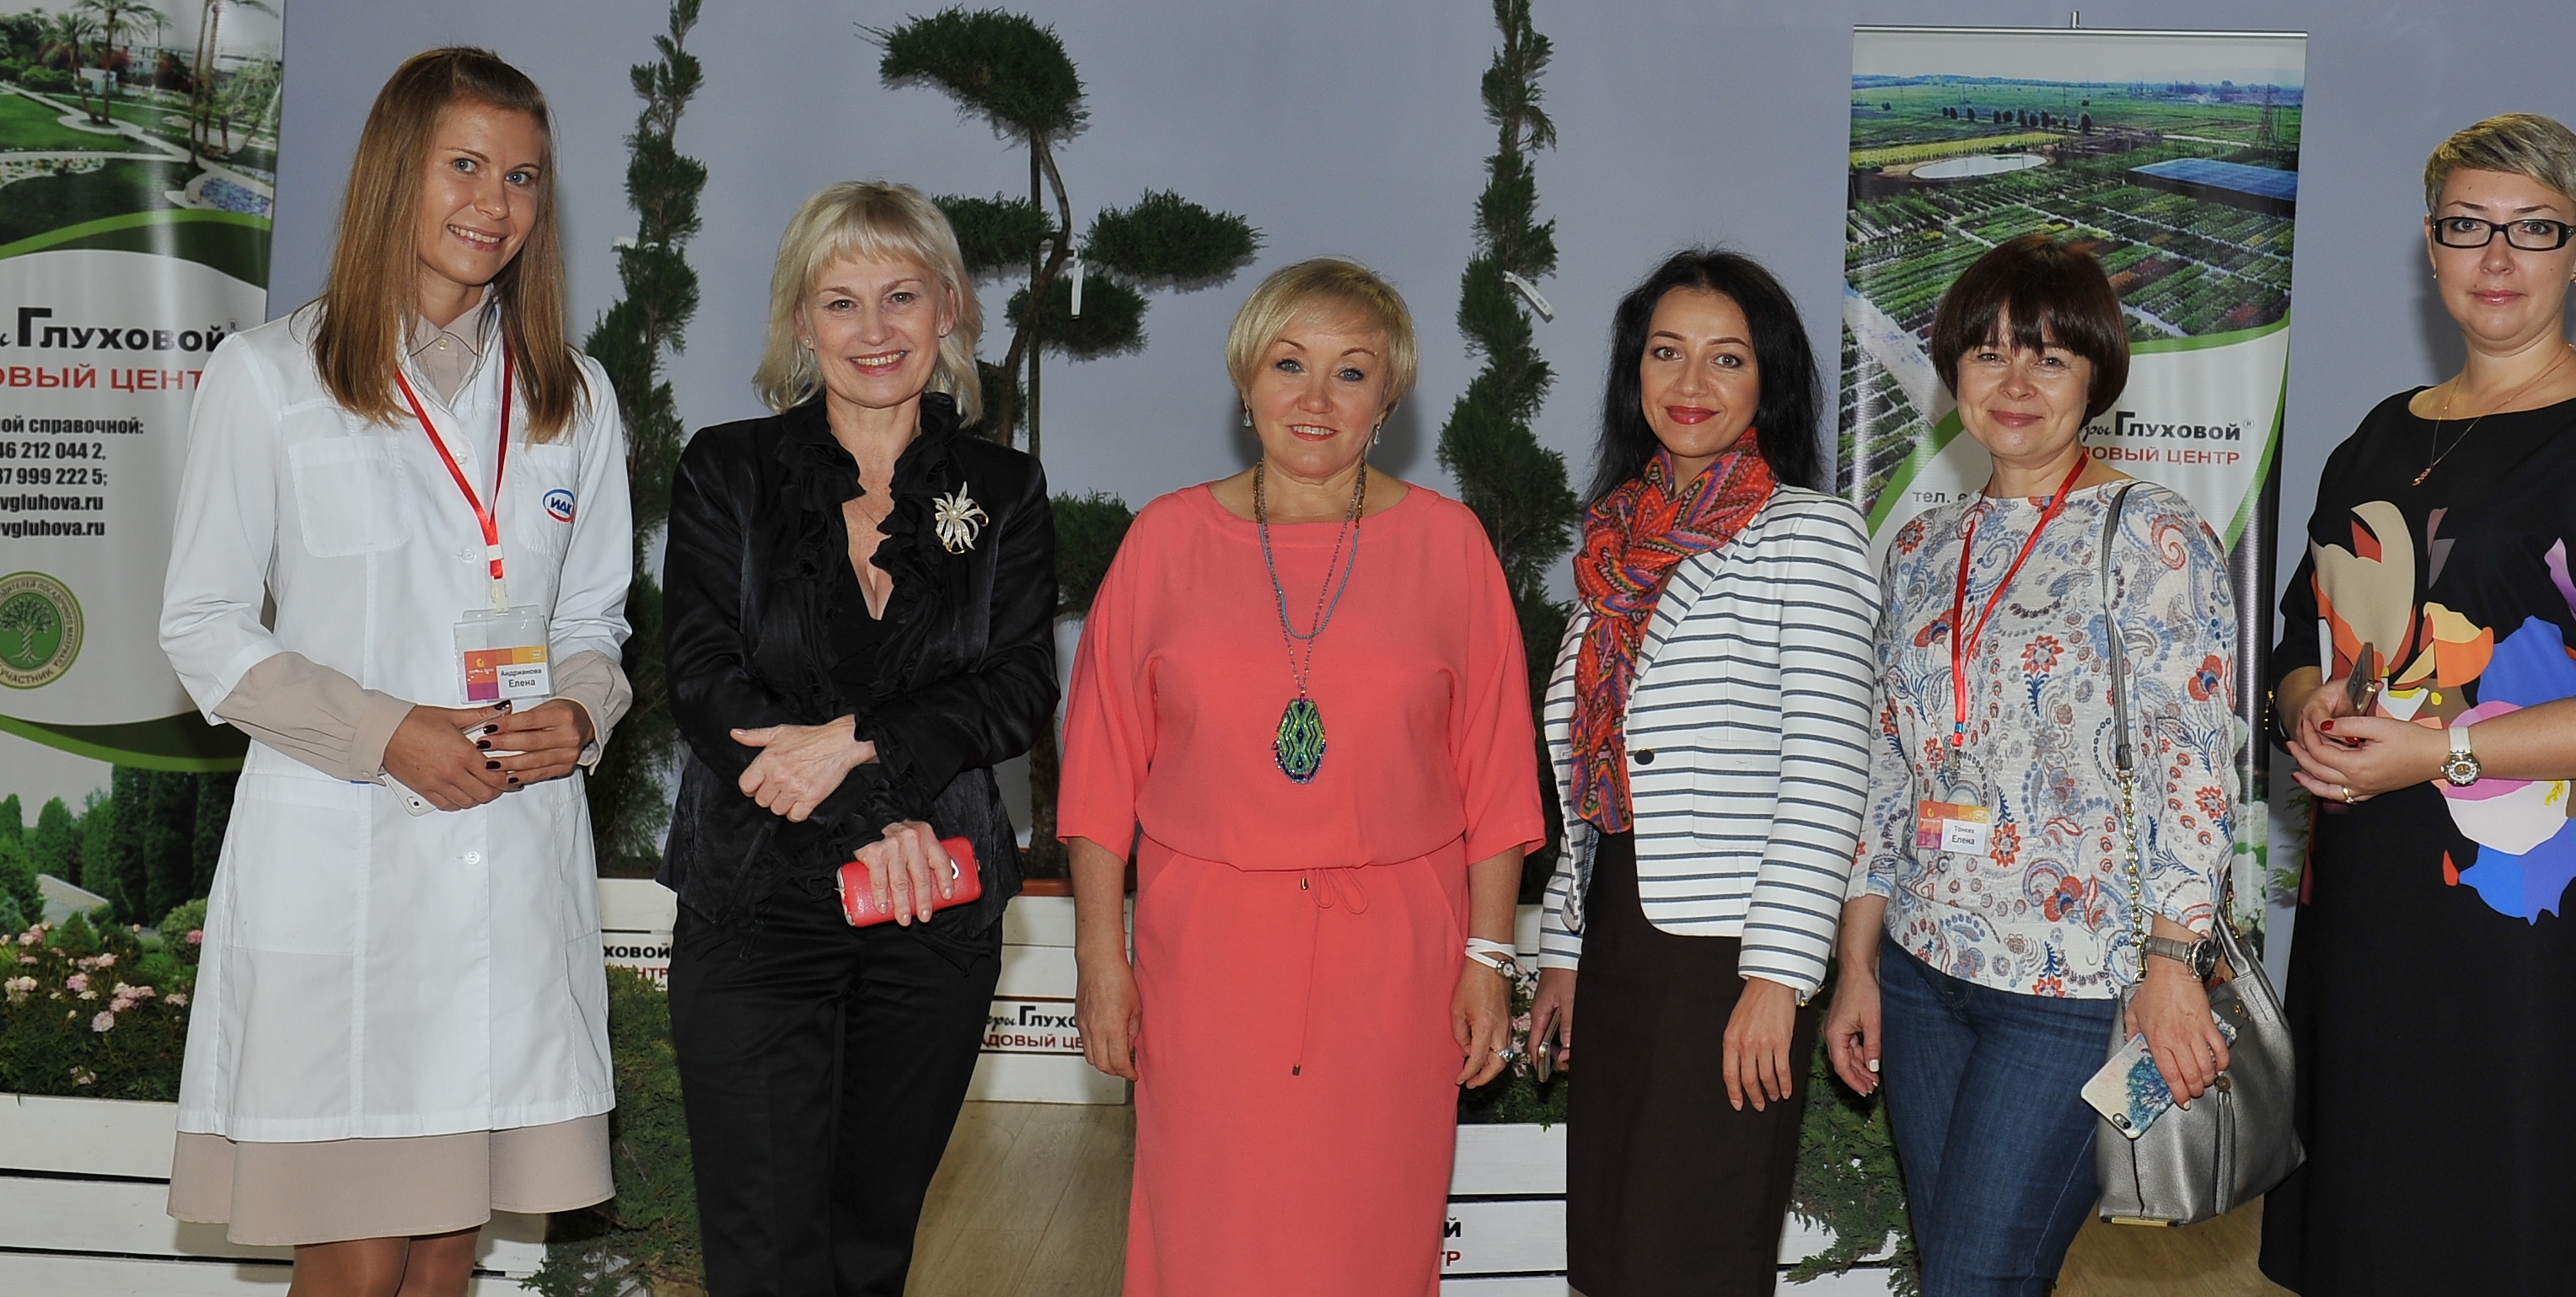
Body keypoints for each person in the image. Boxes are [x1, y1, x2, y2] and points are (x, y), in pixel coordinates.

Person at [160, 47, 631, 1296]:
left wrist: (581, 709)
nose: (494, 202)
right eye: (464, 165)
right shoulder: (270, 375)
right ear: (393, 174)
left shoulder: (573, 399)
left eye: (522, 176)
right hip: (345, 869)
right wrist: (384, 733)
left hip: (508, 871)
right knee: (361, 1261)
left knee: (441, 1260)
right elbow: (203, 625)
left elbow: (595, 617)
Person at [2257, 115, 2576, 1297]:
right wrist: (2307, 706)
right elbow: (2300, 631)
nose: (2499, 257)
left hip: (2530, 906)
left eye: (2534, 230)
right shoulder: (2377, 437)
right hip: (2364, 891)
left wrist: (2442, 752)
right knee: (2357, 1201)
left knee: (2493, 1208)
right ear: (2431, 246)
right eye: (2469, 226)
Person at [1060, 258, 1544, 1296]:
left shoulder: (1451, 547)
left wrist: (1488, 957)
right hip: (1205, 961)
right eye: (1289, 364)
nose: (1315, 398)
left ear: (1388, 398)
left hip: (1398, 966)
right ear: (1246, 381)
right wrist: (1102, 956)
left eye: (1351, 372)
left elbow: (1498, 778)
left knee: (1369, 1234)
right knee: (1209, 1230)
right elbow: (1098, 776)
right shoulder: (1163, 542)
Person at [657, 180, 1057, 1297]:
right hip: (758, 908)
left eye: (901, 296)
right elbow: (706, 684)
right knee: (765, 1259)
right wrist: (875, 818)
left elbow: (1019, 687)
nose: (874, 330)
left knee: (869, 1253)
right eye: (841, 302)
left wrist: (859, 743)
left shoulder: (1004, 488)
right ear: (801, 321)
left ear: (949, 309)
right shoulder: (726, 469)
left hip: (935, 919)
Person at [1824, 233, 2240, 1297]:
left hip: (2074, 985)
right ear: (1954, 371)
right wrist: (1858, 964)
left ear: (2094, 379)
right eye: (1989, 353)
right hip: (1921, 970)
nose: (2015, 382)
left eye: (2049, 357)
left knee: (1978, 1277)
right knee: (1959, 1271)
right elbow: (1889, 768)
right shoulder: (1920, 548)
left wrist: (2172, 966)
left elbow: (2193, 768)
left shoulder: (2151, 535)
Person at [1522, 250, 1881, 1297]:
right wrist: (1564, 952)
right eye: (1665, 352)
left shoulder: (1808, 535)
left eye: (1726, 358)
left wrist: (1777, 979)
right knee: (1614, 1253)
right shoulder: (1614, 546)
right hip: (1619, 933)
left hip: (1727, 952)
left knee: (1693, 1251)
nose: (1690, 383)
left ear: (1768, 379)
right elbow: (1591, 780)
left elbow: (1829, 771)